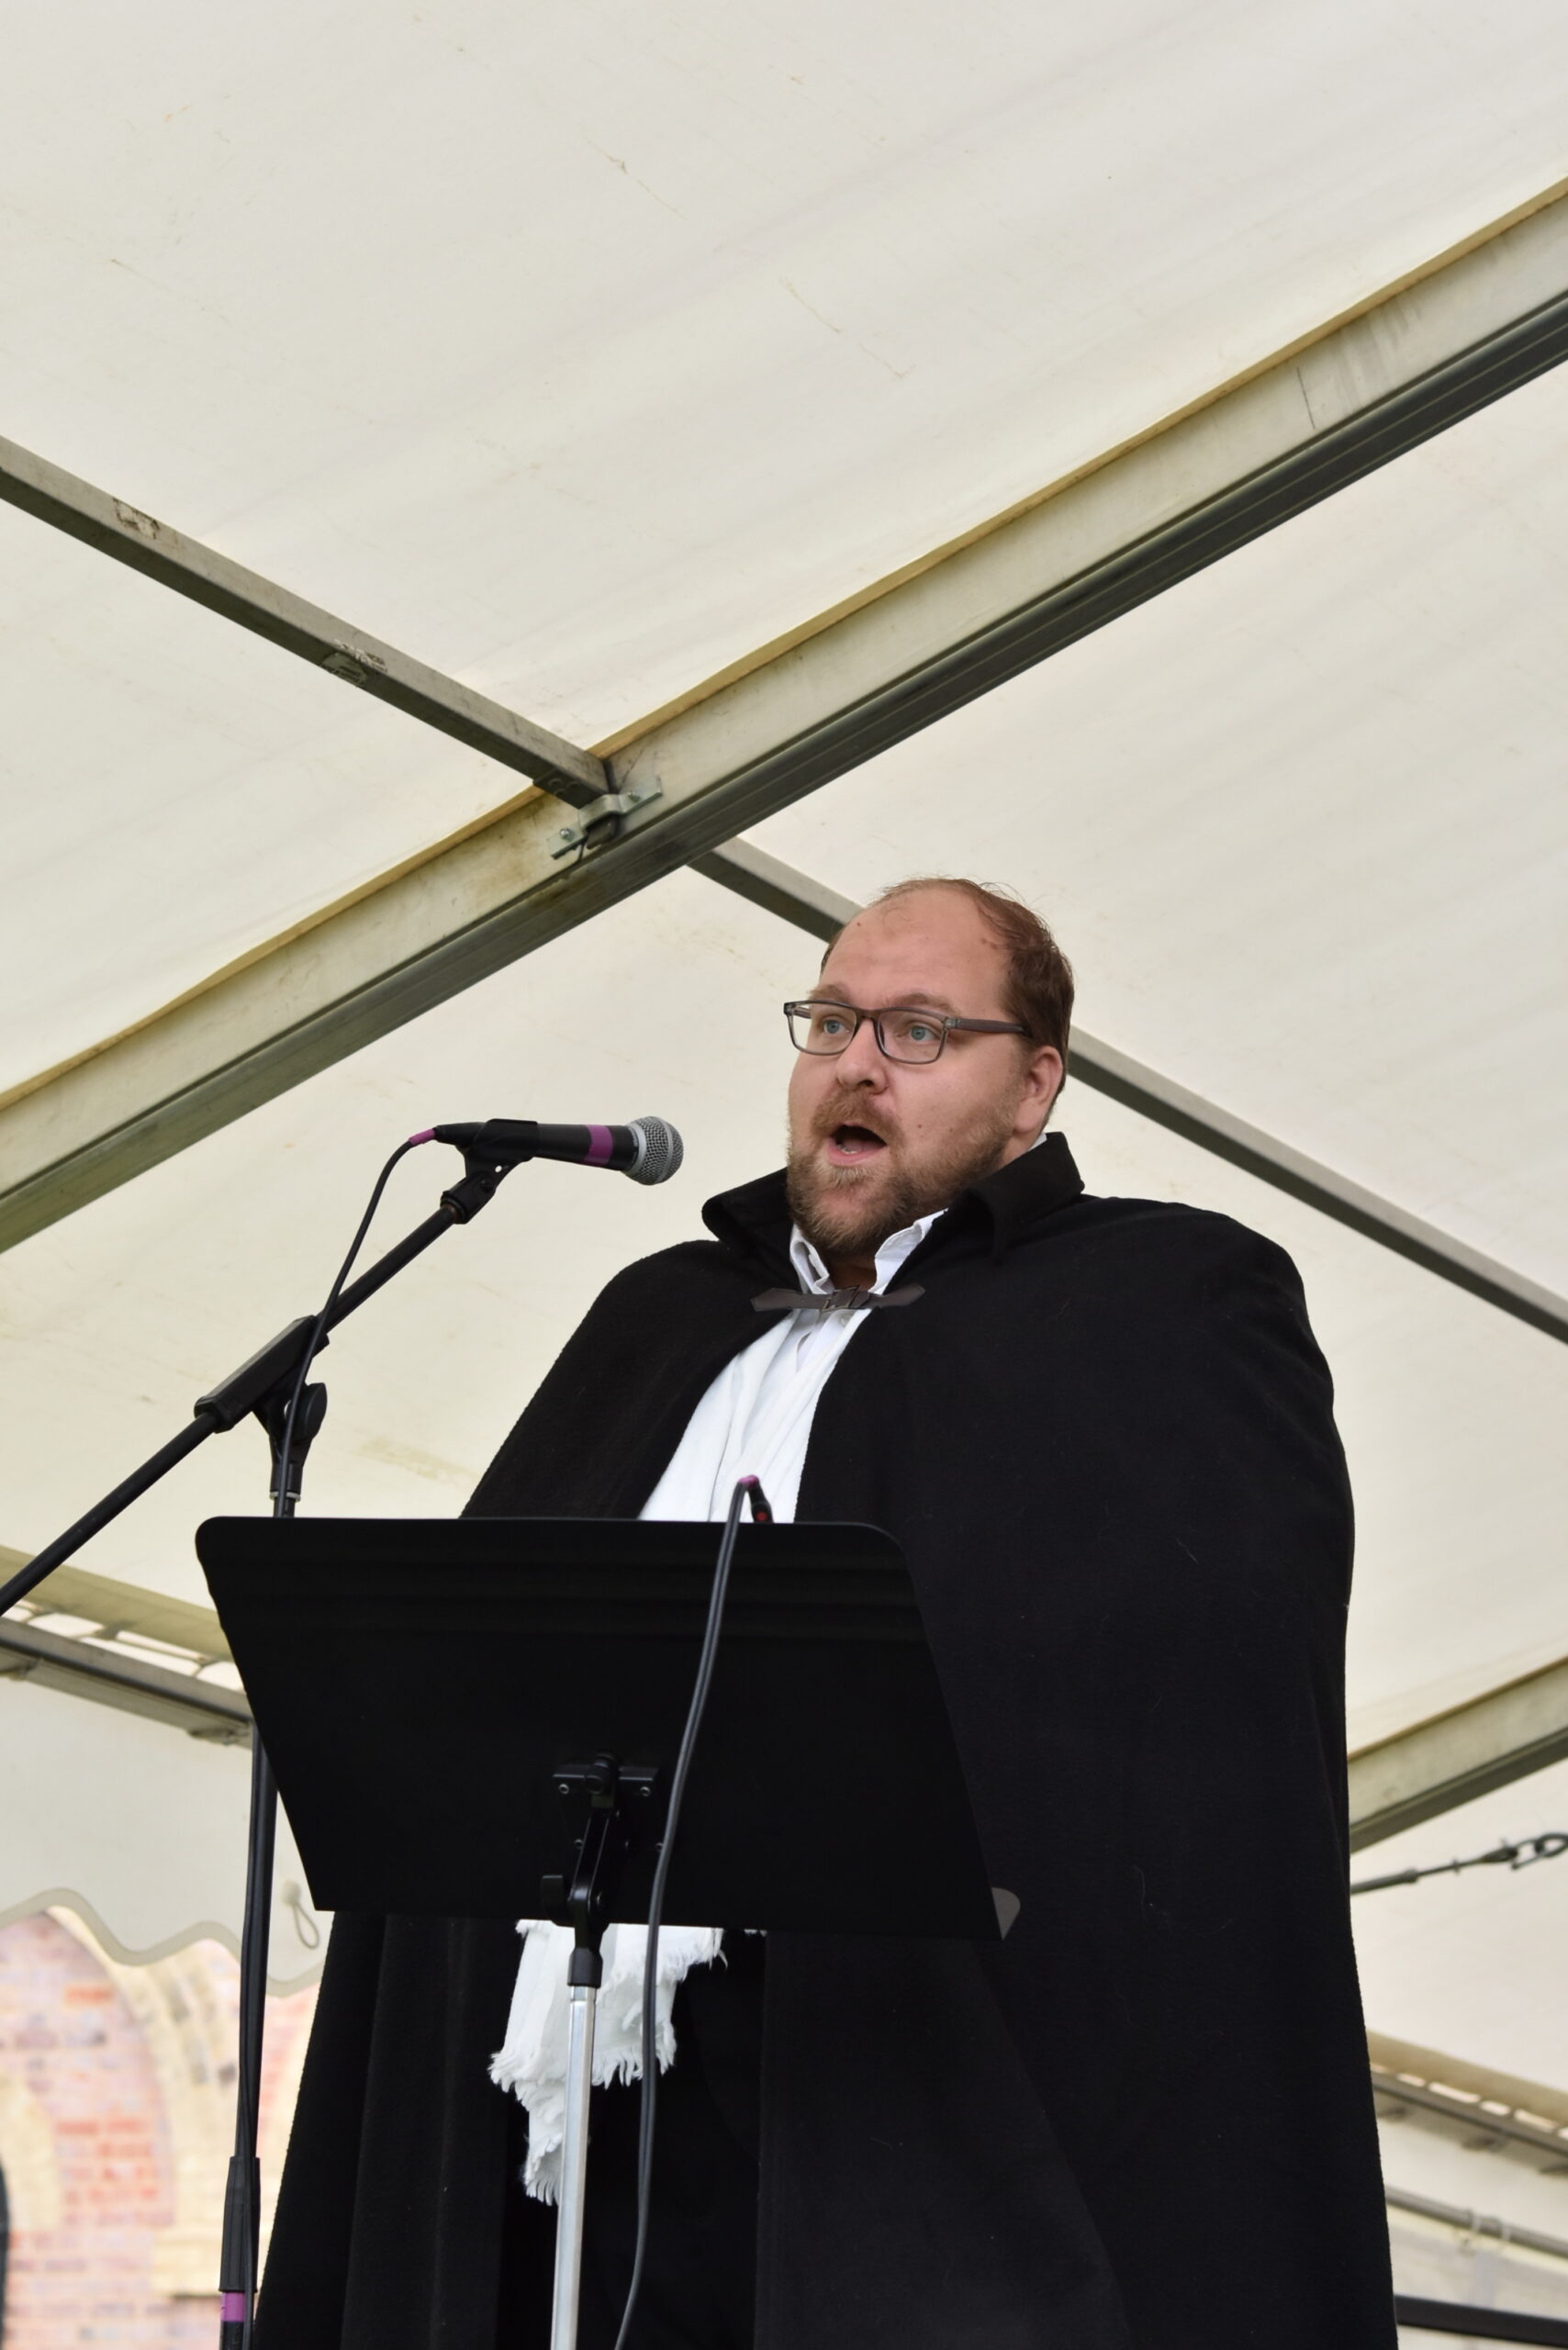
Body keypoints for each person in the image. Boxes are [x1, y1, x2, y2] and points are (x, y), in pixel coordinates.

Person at [256, 878, 1396, 2349]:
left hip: (909, 2075)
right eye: (832, 1023)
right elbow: (489, 1661)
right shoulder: (658, 1313)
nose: (857, 1065)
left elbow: (1213, 1672)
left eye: (919, 1032)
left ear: (1034, 1087)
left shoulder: (1163, 1298)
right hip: (572, 2063)